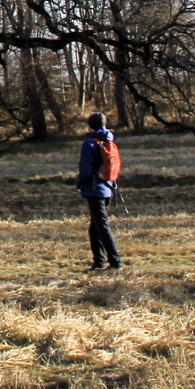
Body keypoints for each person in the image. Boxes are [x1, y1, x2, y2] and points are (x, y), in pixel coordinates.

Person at [77, 112, 123, 270]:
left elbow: (85, 169)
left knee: (101, 226)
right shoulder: (108, 140)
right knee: (95, 227)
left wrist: (80, 183)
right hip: (108, 187)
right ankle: (99, 262)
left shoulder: (89, 143)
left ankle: (115, 262)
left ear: (90, 125)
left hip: (95, 189)